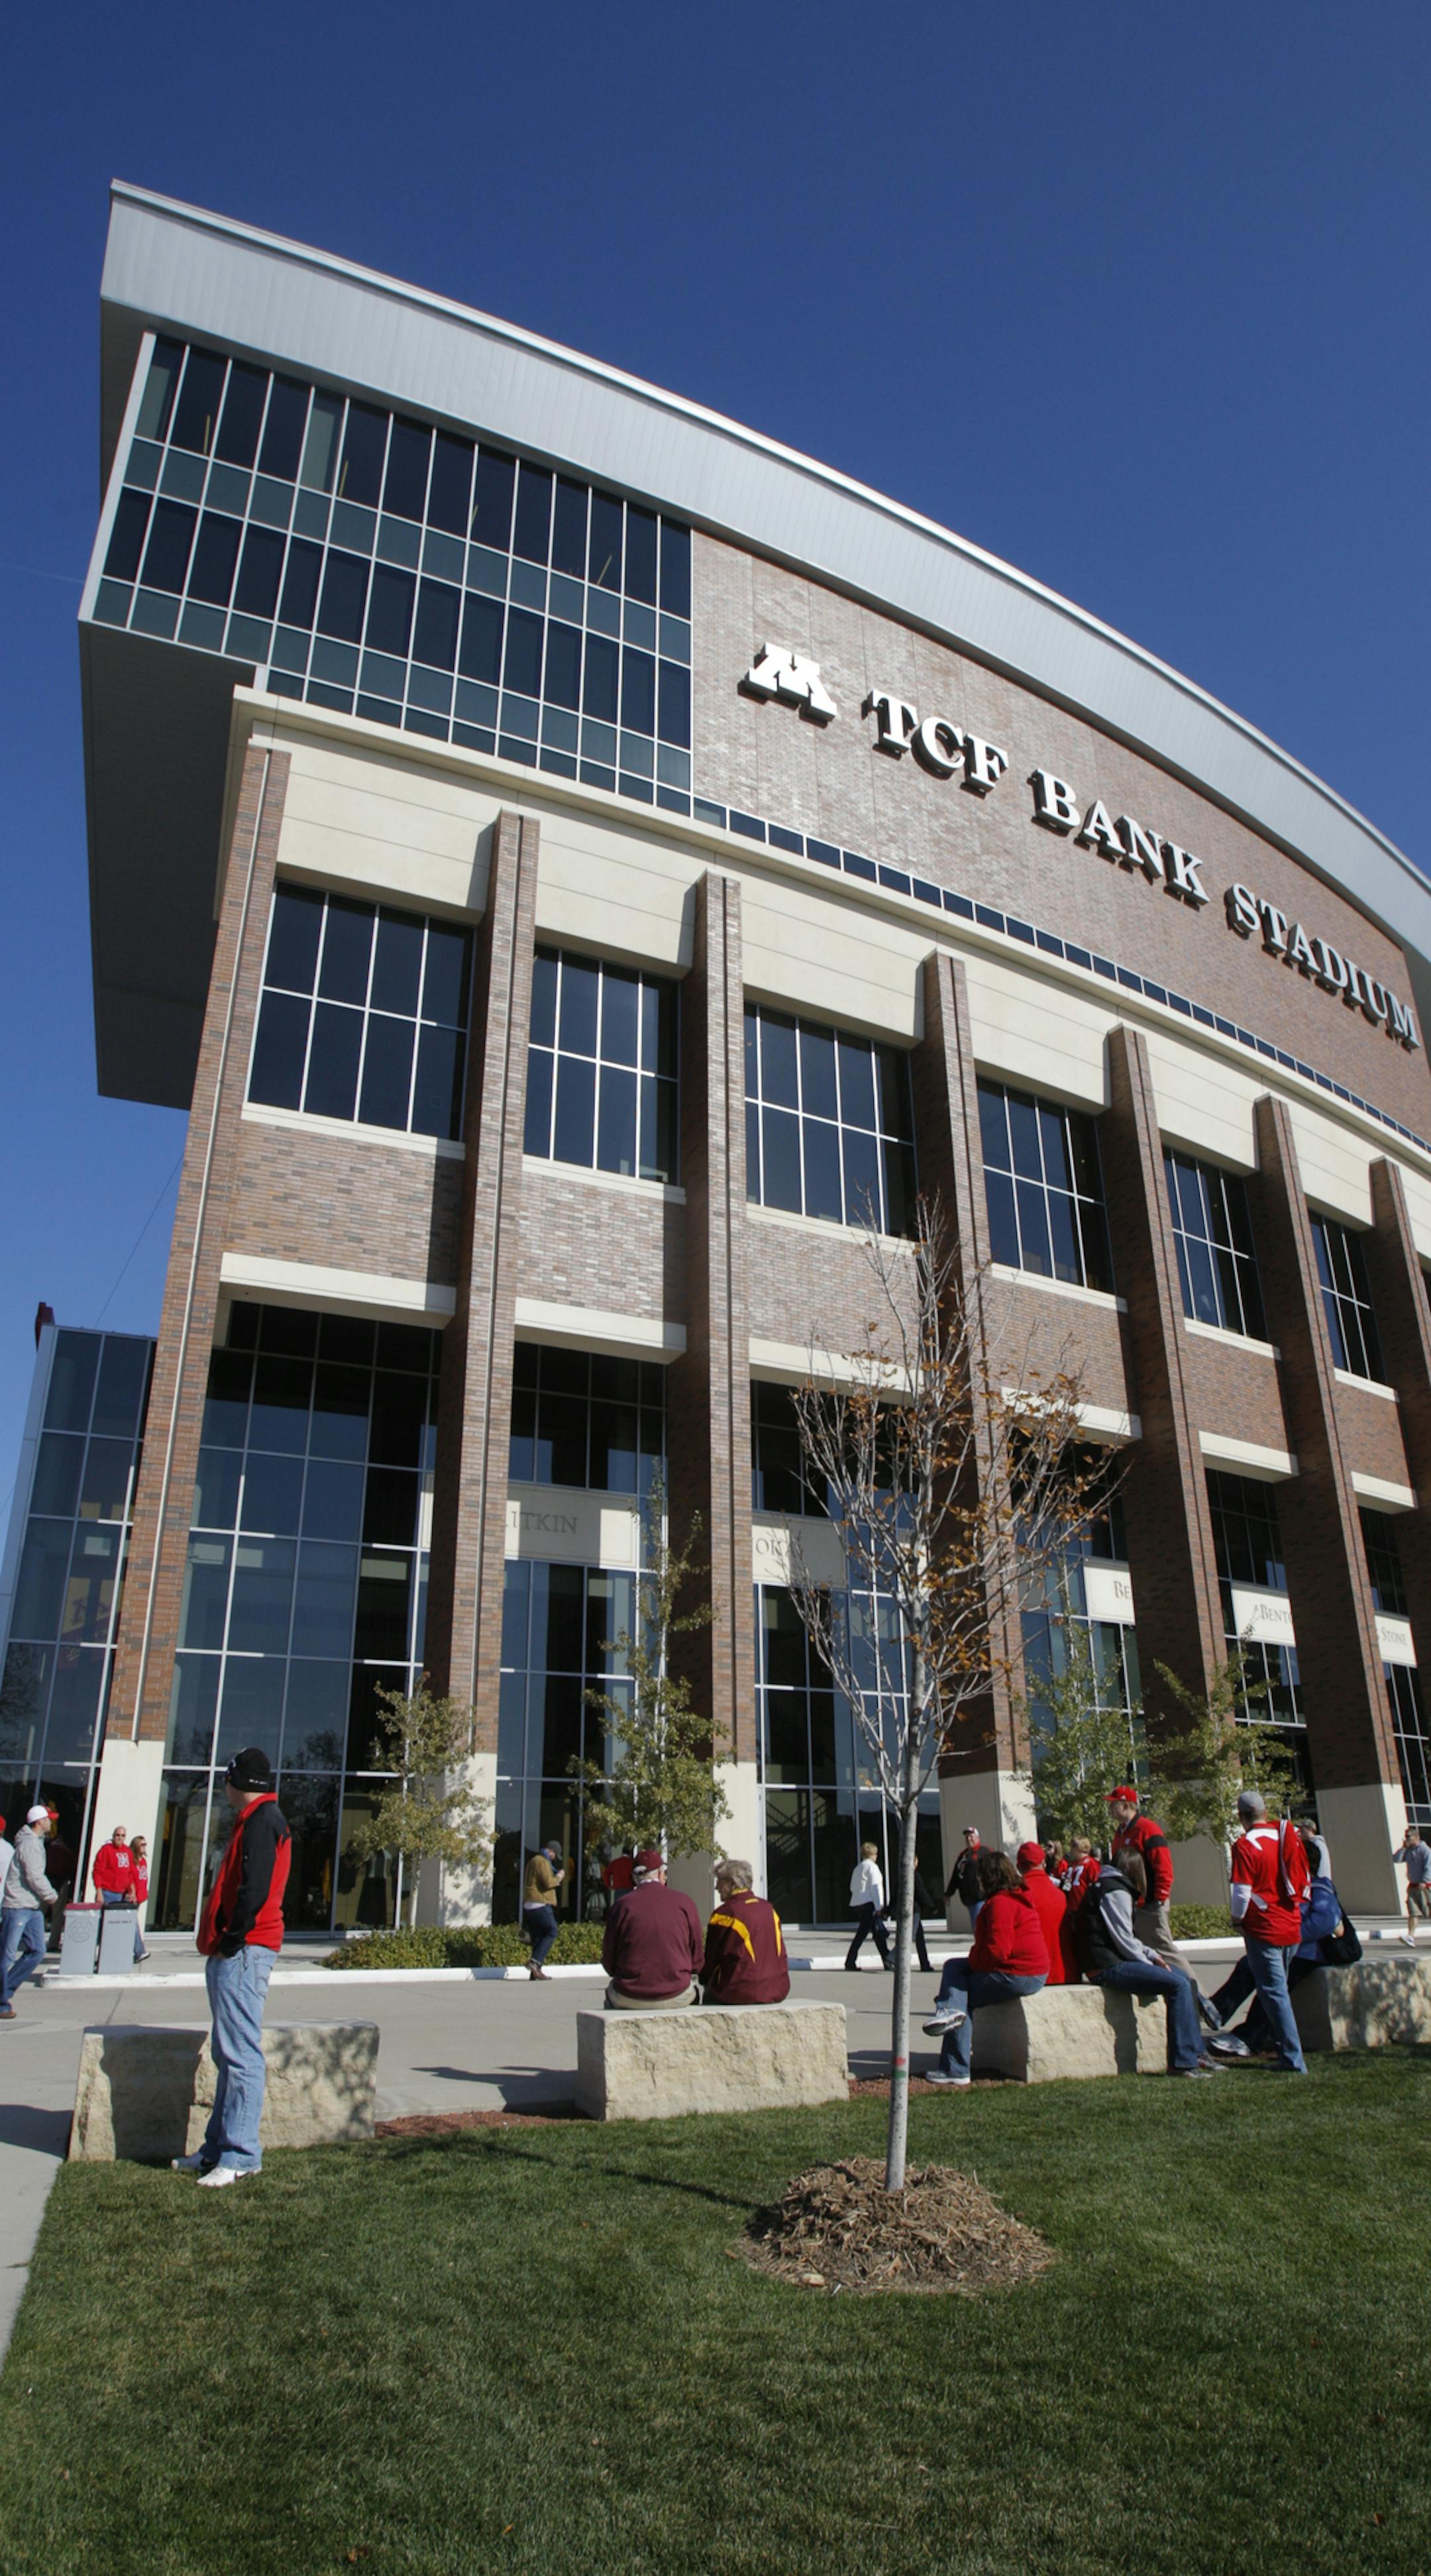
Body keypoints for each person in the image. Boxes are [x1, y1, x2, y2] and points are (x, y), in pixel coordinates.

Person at [172, 1748, 291, 2185]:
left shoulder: (263, 1821)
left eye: (227, 1779)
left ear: (236, 1782)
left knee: (241, 2056)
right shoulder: (256, 1820)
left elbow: (254, 1889)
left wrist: (231, 1939)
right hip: (237, 1950)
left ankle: (241, 2156)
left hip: (244, 1951)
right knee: (228, 2052)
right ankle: (216, 2150)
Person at [1075, 1847, 1220, 2076]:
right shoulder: (1116, 1891)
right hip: (1106, 1966)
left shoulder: (1110, 1886)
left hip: (1112, 1961)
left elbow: (1127, 1939)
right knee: (1178, 1984)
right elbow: (1124, 1941)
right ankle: (1182, 2063)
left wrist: (1153, 1956)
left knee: (1186, 1980)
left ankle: (1197, 2052)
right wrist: (1150, 1964)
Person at [1208, 1836, 1348, 2060]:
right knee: (1250, 1965)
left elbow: (1326, 1921)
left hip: (1308, 1956)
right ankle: (1218, 2010)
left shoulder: (1319, 1886)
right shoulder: (1292, 1885)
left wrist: (1287, 1935)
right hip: (1288, 1948)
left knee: (1272, 1986)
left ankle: (1248, 2038)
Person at [921, 1850, 1049, 2088]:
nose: (977, 1880)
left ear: (990, 1877)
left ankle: (955, 2067)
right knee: (953, 1968)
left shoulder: (1001, 1904)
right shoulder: (1016, 1897)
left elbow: (997, 1952)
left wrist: (974, 1962)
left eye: (980, 1875)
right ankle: (948, 2010)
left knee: (961, 1995)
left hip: (1019, 1974)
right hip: (1031, 1971)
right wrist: (974, 1960)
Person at [1106, 1785, 1221, 2030]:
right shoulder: (1121, 1833)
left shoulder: (1148, 1830)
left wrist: (1158, 1899)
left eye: (1114, 1803)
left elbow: (1163, 1868)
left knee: (1164, 1950)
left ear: (1126, 1805)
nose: (1110, 1807)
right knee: (1149, 1953)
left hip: (1149, 1906)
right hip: (1133, 1906)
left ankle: (1201, 1999)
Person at [1222, 1788, 1310, 2074]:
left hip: (1265, 1927)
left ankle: (1292, 2059)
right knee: (1276, 1991)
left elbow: (1241, 1891)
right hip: (1291, 1924)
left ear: (1241, 1816)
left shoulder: (1246, 1845)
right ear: (1264, 1812)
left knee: (1275, 1993)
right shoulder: (1286, 1837)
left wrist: (1237, 1919)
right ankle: (1277, 2045)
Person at [601, 1848, 702, 2008]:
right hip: (677, 1993)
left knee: (610, 1997)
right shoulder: (684, 1903)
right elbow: (697, 1958)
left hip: (629, 1994)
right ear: (662, 1874)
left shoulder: (621, 1906)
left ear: (634, 1878)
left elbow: (609, 1959)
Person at [701, 1860, 790, 2004]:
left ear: (732, 1883)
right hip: (777, 1988)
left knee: (709, 1992)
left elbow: (710, 1960)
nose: (716, 1887)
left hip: (739, 1990)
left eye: (719, 1881)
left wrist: (703, 1979)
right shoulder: (769, 1909)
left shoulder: (724, 1914)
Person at [0, 1805, 58, 2019]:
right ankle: (1, 2003)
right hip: (18, 1907)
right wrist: (52, 1896)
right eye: (48, 1819)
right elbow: (35, 1877)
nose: (51, 1822)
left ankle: (4, 1993)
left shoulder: (34, 1843)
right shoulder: (30, 1845)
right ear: (39, 1822)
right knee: (6, 1956)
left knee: (37, 1950)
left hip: (31, 1907)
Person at [1016, 1842, 1069, 1986]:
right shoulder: (1061, 1895)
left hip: (1033, 1976)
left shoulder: (1016, 1895)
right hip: (1065, 1974)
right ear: (1044, 1864)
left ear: (1019, 1867)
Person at [522, 1841, 564, 1980]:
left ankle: (535, 1973)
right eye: (554, 1855)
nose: (554, 1858)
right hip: (540, 1903)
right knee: (552, 1932)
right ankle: (535, 1962)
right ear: (550, 1850)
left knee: (539, 1937)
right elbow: (548, 1883)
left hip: (530, 1903)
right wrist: (559, 1877)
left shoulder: (534, 1860)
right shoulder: (542, 1861)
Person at [845, 1842, 891, 1971]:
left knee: (874, 1933)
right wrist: (880, 1907)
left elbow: (852, 1887)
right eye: (875, 1853)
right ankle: (851, 1961)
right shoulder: (873, 1868)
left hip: (857, 1903)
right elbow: (876, 1887)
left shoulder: (858, 1868)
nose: (876, 1856)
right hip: (869, 1904)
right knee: (870, 1933)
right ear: (872, 1854)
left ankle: (887, 1959)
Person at [1393, 1825, 1431, 1946]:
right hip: (1413, 1886)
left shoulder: (1425, 1850)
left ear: (1416, 1837)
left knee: (1429, 1912)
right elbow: (1396, 1859)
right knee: (1413, 1912)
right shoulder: (1408, 1851)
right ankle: (1411, 1936)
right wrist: (1403, 1848)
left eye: (1409, 1837)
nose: (1407, 1839)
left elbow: (1429, 1867)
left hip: (1425, 1886)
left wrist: (1425, 1881)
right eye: (1406, 1837)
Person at [945, 1824, 984, 1932]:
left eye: (971, 1836)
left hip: (981, 1898)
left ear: (978, 1838)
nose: (968, 1839)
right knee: (976, 1928)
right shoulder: (963, 1856)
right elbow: (956, 1876)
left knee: (979, 1928)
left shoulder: (984, 1852)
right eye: (967, 1837)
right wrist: (949, 1893)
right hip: (969, 1899)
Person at [130, 1833, 152, 1962]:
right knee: (133, 1925)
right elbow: (130, 1878)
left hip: (139, 1897)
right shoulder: (132, 1861)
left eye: (145, 1844)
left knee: (132, 1924)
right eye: (142, 1844)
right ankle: (139, 1951)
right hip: (132, 1897)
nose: (144, 1847)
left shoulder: (143, 1861)